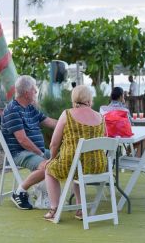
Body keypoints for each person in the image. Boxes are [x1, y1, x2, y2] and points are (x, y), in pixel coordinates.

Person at [43, 85, 107, 221]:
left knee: (49, 169)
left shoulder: (67, 114)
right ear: (89, 100)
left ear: (74, 99)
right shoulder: (101, 117)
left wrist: (52, 158)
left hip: (71, 163)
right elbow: (105, 138)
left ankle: (54, 209)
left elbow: (54, 143)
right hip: (98, 165)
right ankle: (80, 209)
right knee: (79, 169)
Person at [1, 75, 58, 210]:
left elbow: (49, 122)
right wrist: (40, 153)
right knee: (47, 166)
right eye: (34, 89)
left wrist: (66, 123)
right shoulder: (12, 110)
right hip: (20, 152)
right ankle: (19, 192)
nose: (36, 92)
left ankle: (46, 195)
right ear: (26, 93)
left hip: (35, 151)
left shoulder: (30, 108)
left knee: (62, 160)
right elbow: (23, 140)